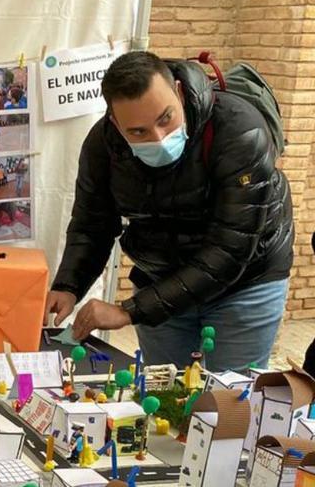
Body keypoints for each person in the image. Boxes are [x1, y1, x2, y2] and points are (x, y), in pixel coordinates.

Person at [45, 51, 293, 372]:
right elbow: (93, 224)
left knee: (230, 403)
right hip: (160, 278)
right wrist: (69, 285)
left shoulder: (240, 130)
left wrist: (129, 311)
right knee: (164, 399)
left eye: (165, 119)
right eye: (138, 132)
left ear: (177, 91)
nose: (159, 138)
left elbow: (230, 249)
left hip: (245, 282)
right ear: (115, 123)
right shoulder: (103, 144)